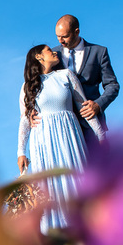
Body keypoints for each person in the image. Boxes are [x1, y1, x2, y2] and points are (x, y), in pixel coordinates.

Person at [17, 44, 103, 230]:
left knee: (76, 180)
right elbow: (24, 120)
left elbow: (84, 108)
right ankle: (56, 236)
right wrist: (21, 151)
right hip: (43, 142)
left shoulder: (66, 75)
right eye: (49, 50)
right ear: (39, 57)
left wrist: (101, 135)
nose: (54, 52)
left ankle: (85, 230)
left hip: (68, 136)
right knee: (50, 188)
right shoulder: (27, 87)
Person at [51, 14, 119, 143]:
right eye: (58, 36)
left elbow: (112, 85)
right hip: (63, 127)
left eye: (65, 36)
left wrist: (98, 104)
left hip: (92, 126)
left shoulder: (99, 52)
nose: (60, 41)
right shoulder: (52, 55)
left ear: (76, 31)